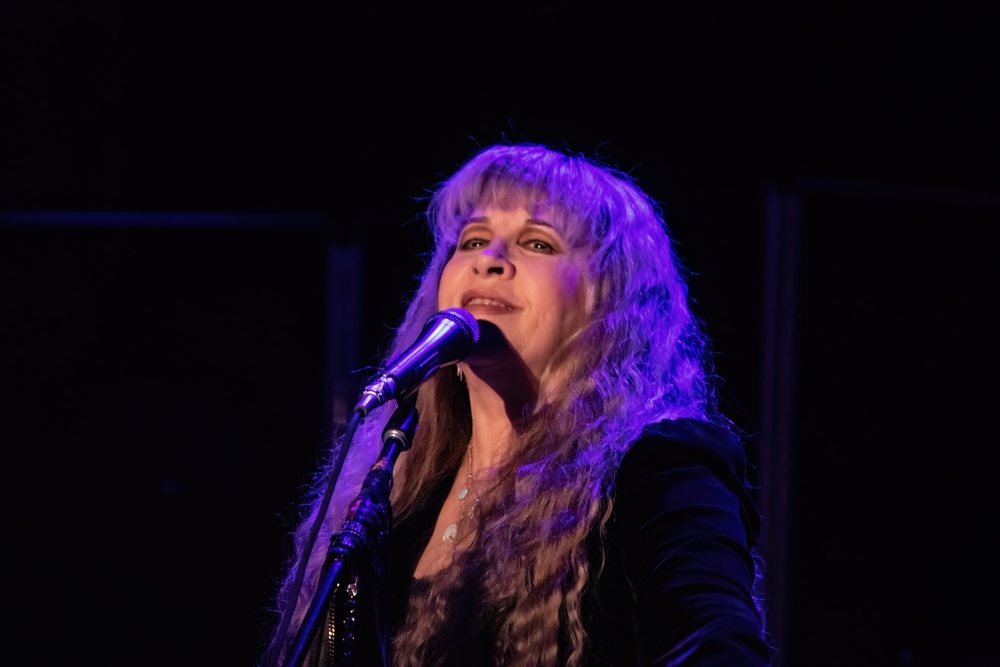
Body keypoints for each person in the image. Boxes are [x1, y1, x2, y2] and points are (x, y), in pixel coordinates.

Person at [269, 144, 770, 666]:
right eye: (473, 240)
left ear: (606, 304)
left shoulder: (660, 468)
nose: (489, 259)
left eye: (537, 243)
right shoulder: (398, 489)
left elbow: (716, 649)